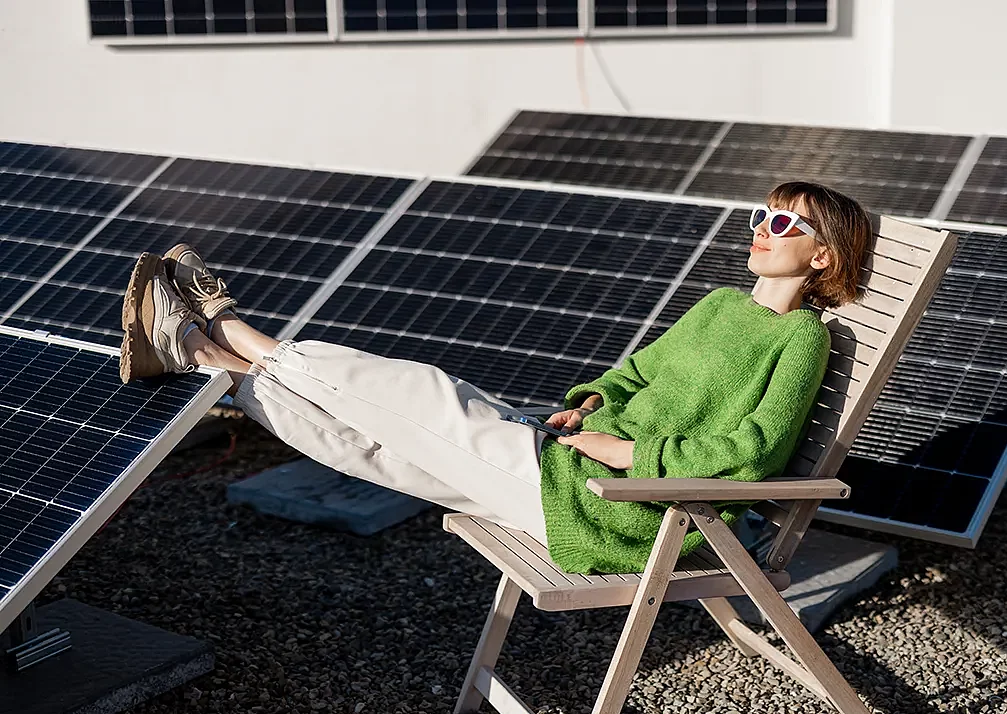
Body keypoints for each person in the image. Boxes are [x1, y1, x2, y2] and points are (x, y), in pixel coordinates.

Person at [118, 181, 871, 575]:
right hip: (569, 466)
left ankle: (232, 330)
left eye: (784, 225)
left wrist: (632, 458)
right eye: (760, 217)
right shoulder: (718, 305)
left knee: (423, 396)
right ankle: (204, 358)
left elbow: (756, 452)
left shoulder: (800, 337)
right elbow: (638, 372)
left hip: (627, 509)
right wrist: (593, 408)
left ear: (823, 257)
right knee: (378, 450)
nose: (761, 232)